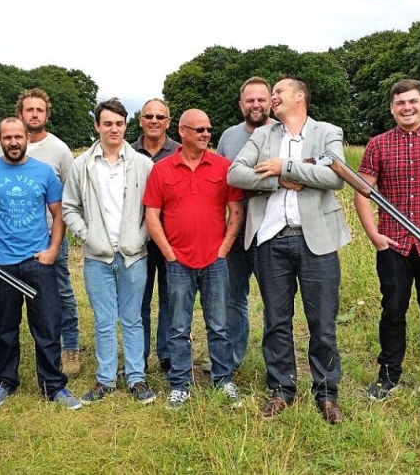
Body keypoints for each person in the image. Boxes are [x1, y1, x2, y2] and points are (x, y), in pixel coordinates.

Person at [227, 77, 351, 423]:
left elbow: (335, 177)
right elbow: (235, 174)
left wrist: (287, 166)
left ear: (300, 96)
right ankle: (281, 390)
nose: (273, 98)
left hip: (317, 240)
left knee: (322, 322)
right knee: (276, 321)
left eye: (278, 92)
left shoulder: (327, 132)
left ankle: (326, 394)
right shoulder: (263, 135)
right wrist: (277, 180)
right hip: (271, 240)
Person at [352, 79, 420, 402]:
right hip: (394, 244)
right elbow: (362, 192)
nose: (407, 108)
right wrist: (374, 235)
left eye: (413, 101)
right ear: (392, 108)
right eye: (400, 103)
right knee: (392, 309)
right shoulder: (378, 145)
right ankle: (388, 376)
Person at [0, 117, 81, 411]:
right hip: (0, 264)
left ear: (27, 139)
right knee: (5, 326)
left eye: (18, 137)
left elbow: (59, 214)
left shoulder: (44, 173)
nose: (13, 142)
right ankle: (5, 380)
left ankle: (53, 384)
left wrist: (53, 250)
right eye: (7, 137)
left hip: (37, 261)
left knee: (47, 324)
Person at [143, 109, 244, 410]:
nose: (206, 134)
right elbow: (152, 216)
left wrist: (224, 249)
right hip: (178, 263)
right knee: (178, 327)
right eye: (199, 129)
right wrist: (169, 254)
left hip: (215, 261)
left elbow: (236, 211)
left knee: (219, 325)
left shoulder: (223, 167)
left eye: (208, 129)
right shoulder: (162, 170)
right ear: (182, 131)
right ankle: (179, 384)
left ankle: (223, 379)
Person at [62, 98, 156, 405]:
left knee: (133, 319)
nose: (113, 129)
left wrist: (141, 238)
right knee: (104, 321)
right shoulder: (82, 165)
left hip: (133, 255)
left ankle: (137, 377)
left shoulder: (143, 164)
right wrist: (88, 236)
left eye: (119, 124)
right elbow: (69, 207)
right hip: (97, 256)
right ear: (97, 126)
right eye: (107, 124)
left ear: (126, 126)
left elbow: (154, 209)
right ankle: (105, 379)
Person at [0, 88, 81, 376]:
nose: (34, 114)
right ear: (20, 114)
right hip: (10, 240)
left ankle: (70, 348)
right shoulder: (3, 147)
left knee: (61, 293)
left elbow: (70, 194)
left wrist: (57, 242)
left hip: (49, 237)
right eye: (28, 109)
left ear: (46, 115)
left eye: (39, 110)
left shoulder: (59, 150)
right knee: (5, 297)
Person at [216, 76, 272, 370]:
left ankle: (276, 362)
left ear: (271, 102)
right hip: (235, 231)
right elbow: (222, 181)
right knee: (232, 297)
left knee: (274, 301)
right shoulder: (229, 137)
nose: (256, 105)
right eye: (250, 100)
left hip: (271, 231)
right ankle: (231, 359)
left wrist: (245, 183)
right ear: (241, 104)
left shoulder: (282, 133)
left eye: (261, 99)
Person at [132, 98, 181, 372]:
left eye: (160, 117)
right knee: (138, 300)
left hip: (171, 239)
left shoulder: (180, 152)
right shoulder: (128, 152)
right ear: (140, 120)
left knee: (170, 299)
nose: (154, 121)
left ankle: (167, 354)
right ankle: (138, 356)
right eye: (148, 116)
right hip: (137, 239)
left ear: (168, 122)